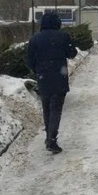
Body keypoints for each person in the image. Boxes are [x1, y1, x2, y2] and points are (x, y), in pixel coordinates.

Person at [27, 13, 78, 153]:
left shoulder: (35, 39)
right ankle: (52, 139)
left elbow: (29, 60)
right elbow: (72, 53)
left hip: (43, 77)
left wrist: (38, 70)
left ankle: (48, 136)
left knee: (47, 109)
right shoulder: (63, 36)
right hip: (59, 77)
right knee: (56, 109)